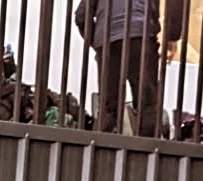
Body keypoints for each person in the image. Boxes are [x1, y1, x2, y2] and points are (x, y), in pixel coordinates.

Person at [74, 0, 186, 137]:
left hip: (107, 37)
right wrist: (172, 36)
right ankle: (147, 153)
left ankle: (101, 151)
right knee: (147, 106)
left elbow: (81, 15)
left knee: (108, 109)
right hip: (140, 34)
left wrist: (99, 42)